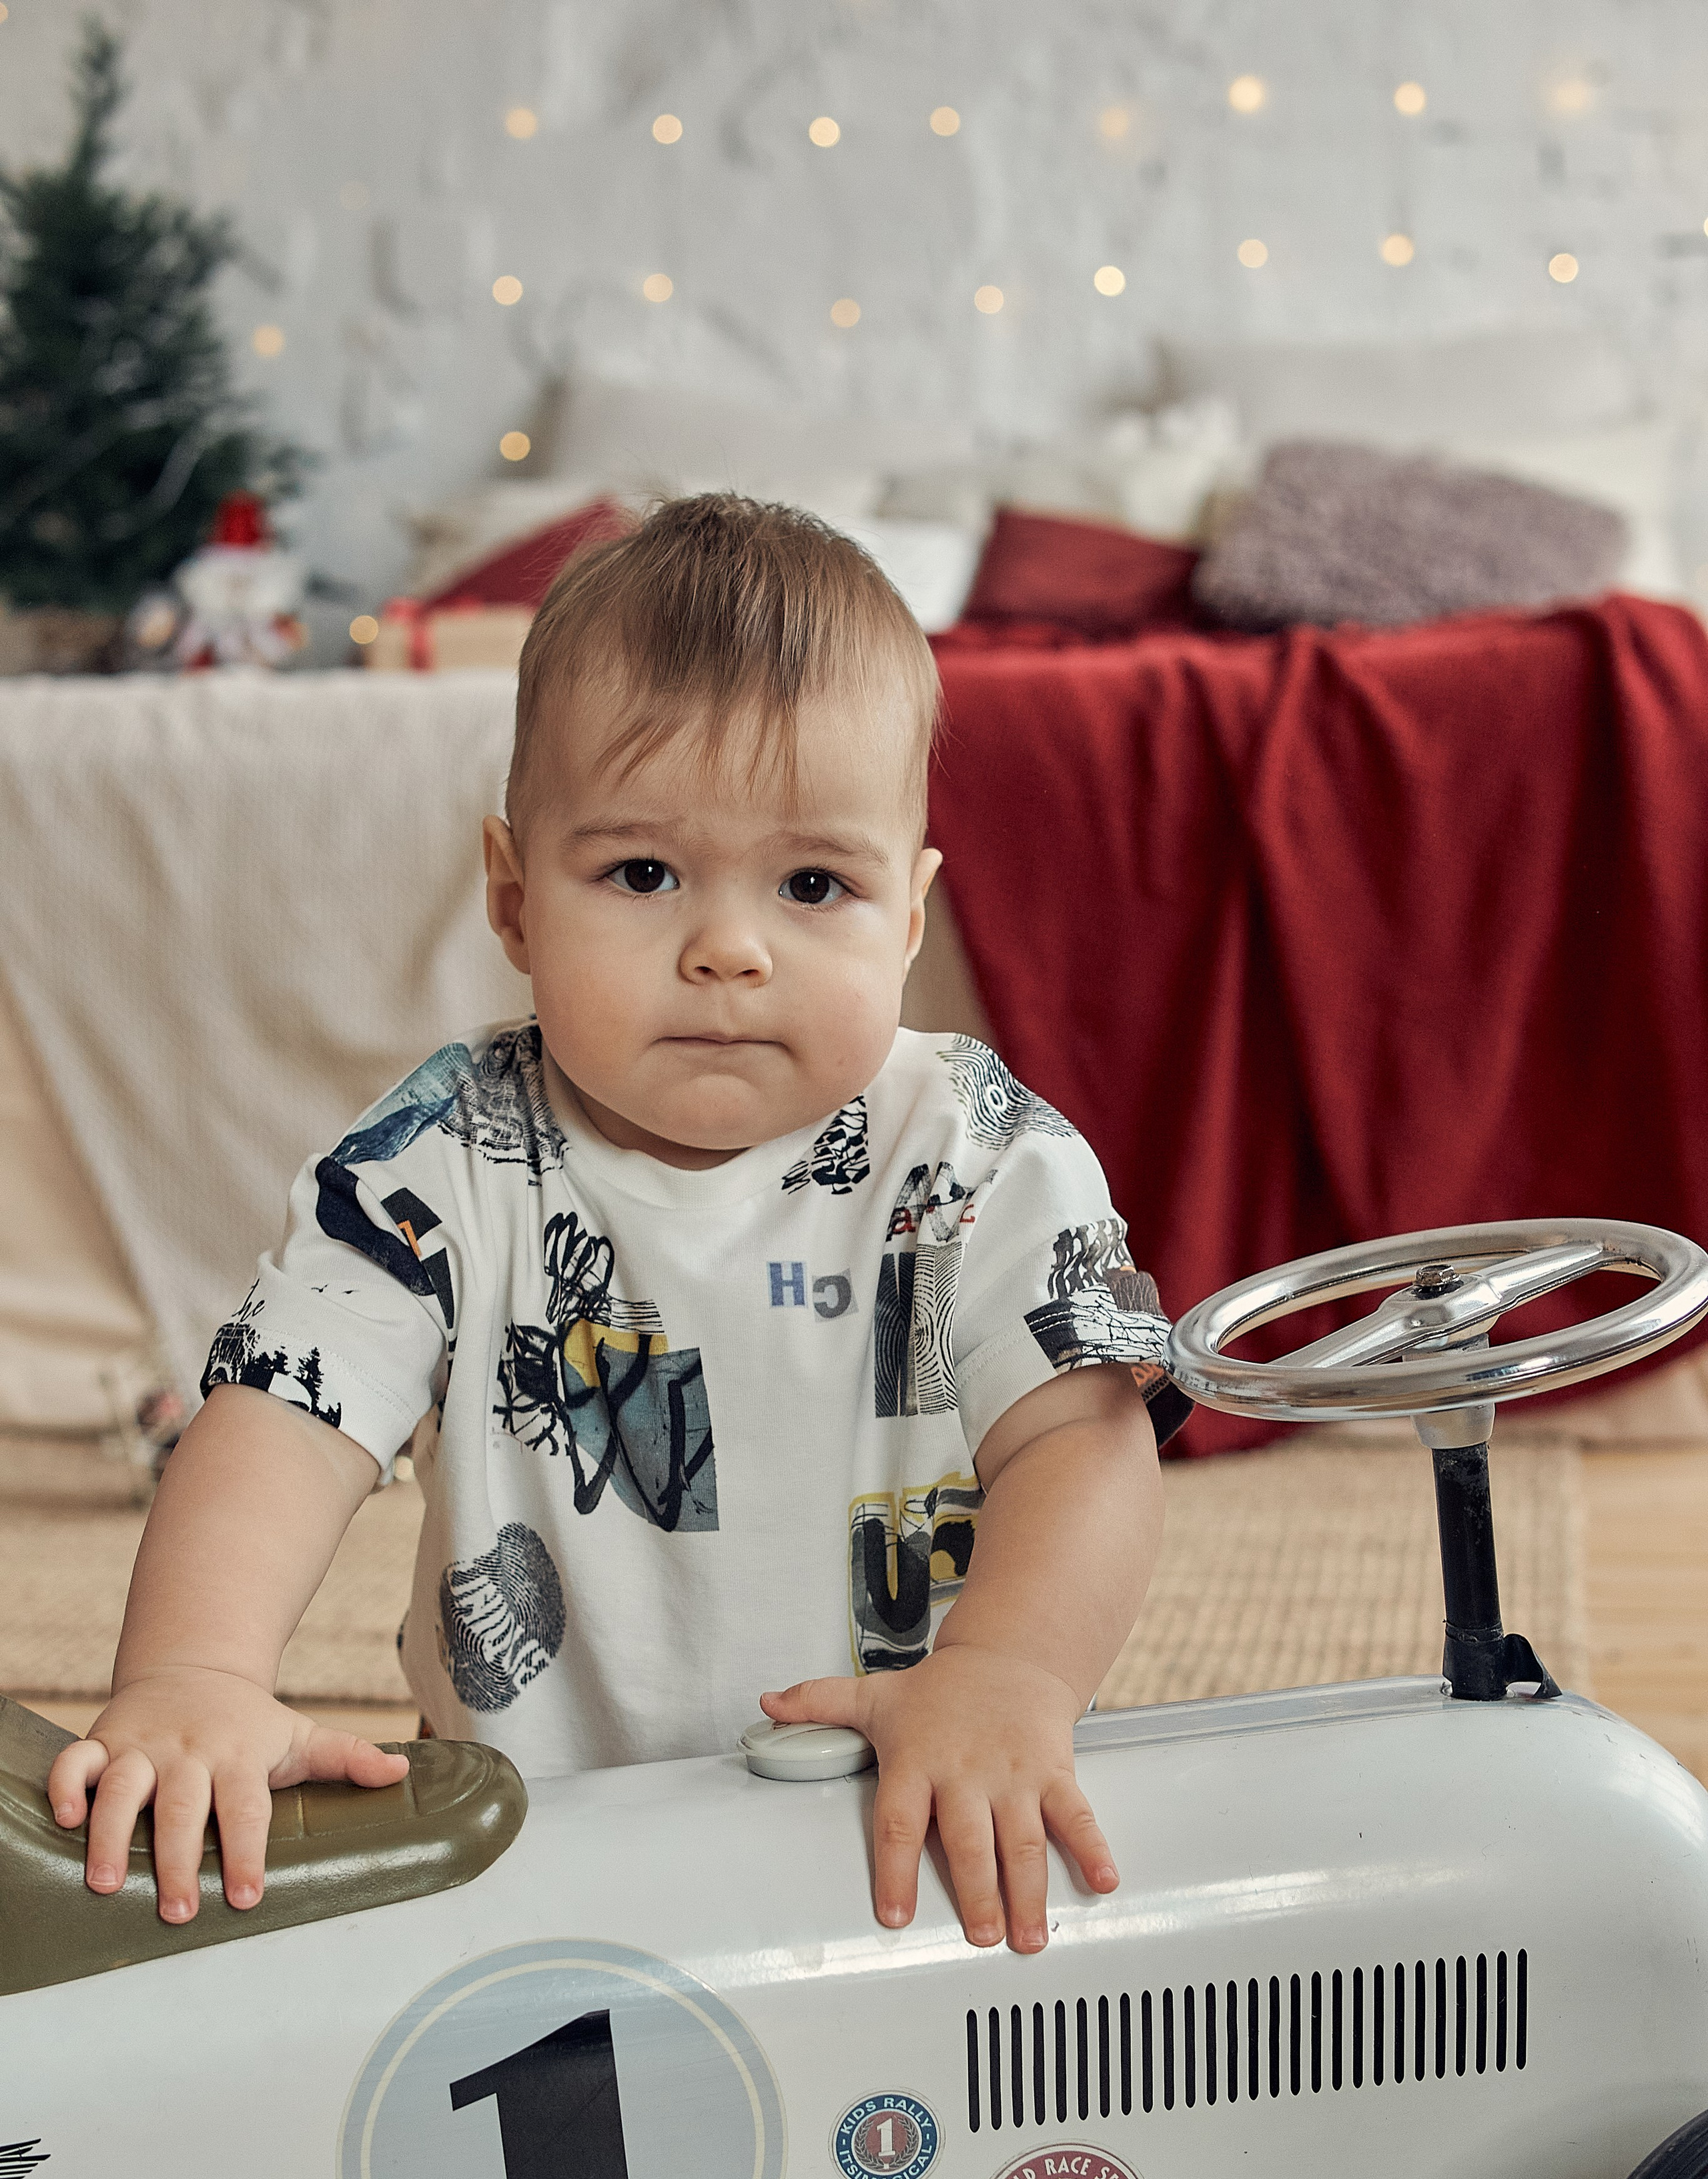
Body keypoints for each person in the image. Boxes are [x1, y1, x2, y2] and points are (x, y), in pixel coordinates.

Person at [48, 493, 1186, 1954]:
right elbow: (283, 1417)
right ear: (515, 904)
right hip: (532, 1851)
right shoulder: (444, 1159)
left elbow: (1078, 1437)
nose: (726, 947)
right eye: (642, 875)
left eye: (812, 884)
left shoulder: (975, 1159)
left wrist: (1010, 1672)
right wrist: (194, 1673)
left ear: (906, 918)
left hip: (897, 1814)